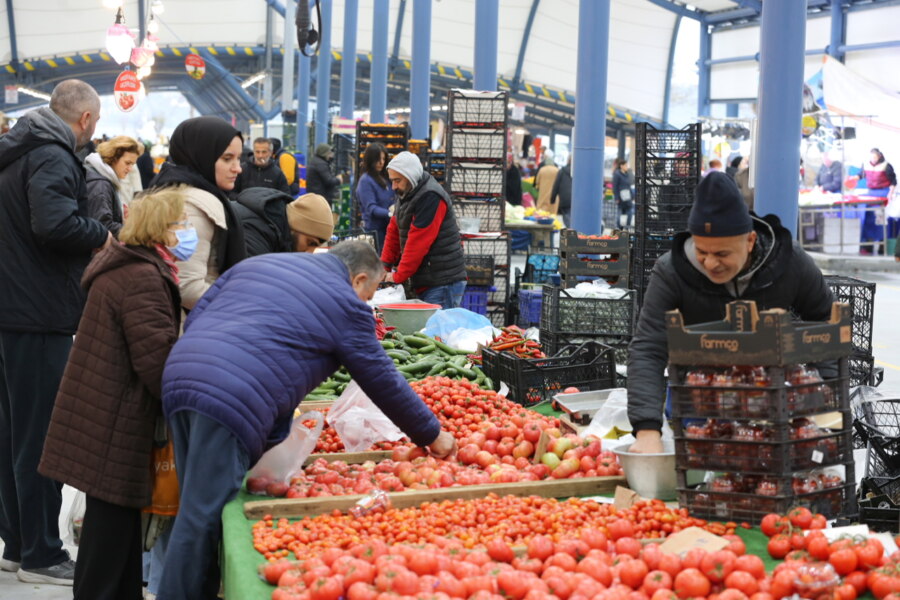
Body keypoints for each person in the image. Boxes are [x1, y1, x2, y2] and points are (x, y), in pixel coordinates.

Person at [156, 241, 456, 600]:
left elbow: (204, 312)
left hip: (181, 374)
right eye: (370, 294)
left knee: (196, 503)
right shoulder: (346, 305)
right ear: (359, 280)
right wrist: (433, 434)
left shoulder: (262, 263)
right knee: (200, 515)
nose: (366, 304)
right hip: (230, 397)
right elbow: (383, 380)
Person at [38, 188, 187, 600]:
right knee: (108, 541)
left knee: (115, 536)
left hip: (102, 410)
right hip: (116, 419)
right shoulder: (142, 277)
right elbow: (155, 362)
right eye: (180, 224)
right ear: (162, 230)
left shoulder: (128, 268)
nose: (185, 232)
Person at [626, 172, 834, 454]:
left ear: (749, 241)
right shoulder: (671, 271)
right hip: (697, 404)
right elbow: (649, 347)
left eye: (722, 254)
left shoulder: (791, 262)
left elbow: (825, 320)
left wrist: (829, 398)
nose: (710, 263)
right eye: (702, 251)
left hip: (771, 400)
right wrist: (647, 429)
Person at [0, 79, 111, 586]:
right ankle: (43, 553)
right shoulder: (53, 155)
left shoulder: (17, 148)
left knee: (12, 432)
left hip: (11, 308)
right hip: (36, 310)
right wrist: (103, 235)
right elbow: (54, 223)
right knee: (40, 433)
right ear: (86, 119)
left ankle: (19, 543)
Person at [149, 116, 247, 310]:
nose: (238, 168)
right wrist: (235, 306)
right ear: (202, 155)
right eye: (227, 159)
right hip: (190, 327)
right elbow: (187, 288)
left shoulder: (172, 190)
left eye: (238, 158)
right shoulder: (191, 205)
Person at [381, 151, 467, 309]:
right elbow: (393, 231)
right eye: (392, 181)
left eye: (397, 180)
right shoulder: (407, 192)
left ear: (410, 176)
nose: (393, 186)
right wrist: (383, 267)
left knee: (436, 332)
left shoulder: (430, 197)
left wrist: (398, 276)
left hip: (442, 281)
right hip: (428, 279)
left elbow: (418, 242)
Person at [234, 190, 334, 257]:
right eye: (310, 243)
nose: (310, 252)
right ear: (296, 226)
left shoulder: (275, 232)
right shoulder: (256, 231)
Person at [84, 135, 141, 238]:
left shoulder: (101, 177)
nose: (130, 168)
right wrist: (133, 230)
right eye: (127, 163)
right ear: (114, 157)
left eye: (132, 164)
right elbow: (103, 226)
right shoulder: (100, 184)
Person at [356, 143, 395, 252]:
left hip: (388, 229)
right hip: (374, 231)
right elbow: (371, 208)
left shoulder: (386, 178)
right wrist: (389, 213)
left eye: (383, 158)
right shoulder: (366, 181)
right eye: (378, 159)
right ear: (371, 159)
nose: (381, 162)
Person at [306, 143, 342, 208]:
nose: (331, 155)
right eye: (329, 153)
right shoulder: (321, 164)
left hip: (315, 196)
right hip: (321, 197)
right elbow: (329, 181)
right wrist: (338, 180)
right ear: (324, 153)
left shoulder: (315, 161)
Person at [550, 154, 573, 227]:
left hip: (565, 199)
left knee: (567, 219)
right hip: (577, 200)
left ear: (568, 161)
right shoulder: (579, 172)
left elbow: (556, 186)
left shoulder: (562, 171)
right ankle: (576, 234)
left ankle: (572, 234)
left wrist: (552, 199)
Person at [534, 149, 559, 214]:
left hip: (543, 193)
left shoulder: (542, 170)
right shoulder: (557, 170)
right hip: (554, 195)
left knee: (542, 212)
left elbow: (537, 182)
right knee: (552, 210)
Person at [612, 158, 635, 229]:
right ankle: (619, 227)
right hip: (620, 196)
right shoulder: (617, 174)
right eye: (625, 165)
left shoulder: (627, 174)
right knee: (619, 212)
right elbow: (615, 186)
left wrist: (632, 196)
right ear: (621, 166)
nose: (627, 167)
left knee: (630, 212)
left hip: (628, 196)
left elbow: (629, 186)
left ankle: (627, 226)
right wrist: (616, 197)